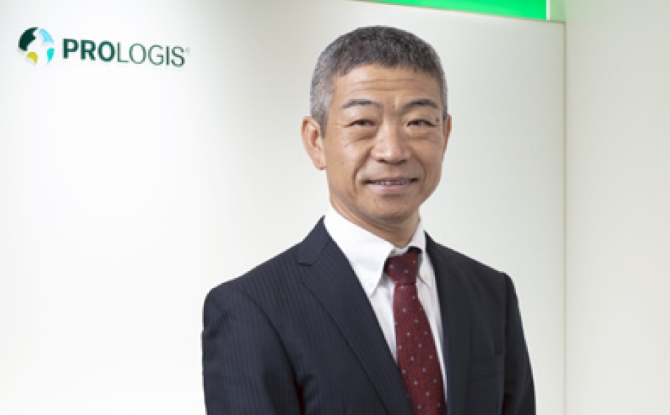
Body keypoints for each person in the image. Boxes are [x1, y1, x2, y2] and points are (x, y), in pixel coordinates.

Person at [202, 26, 535, 415]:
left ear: (445, 135)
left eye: (418, 122)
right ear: (315, 141)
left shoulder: (491, 294)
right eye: (363, 122)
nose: (392, 151)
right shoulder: (251, 310)